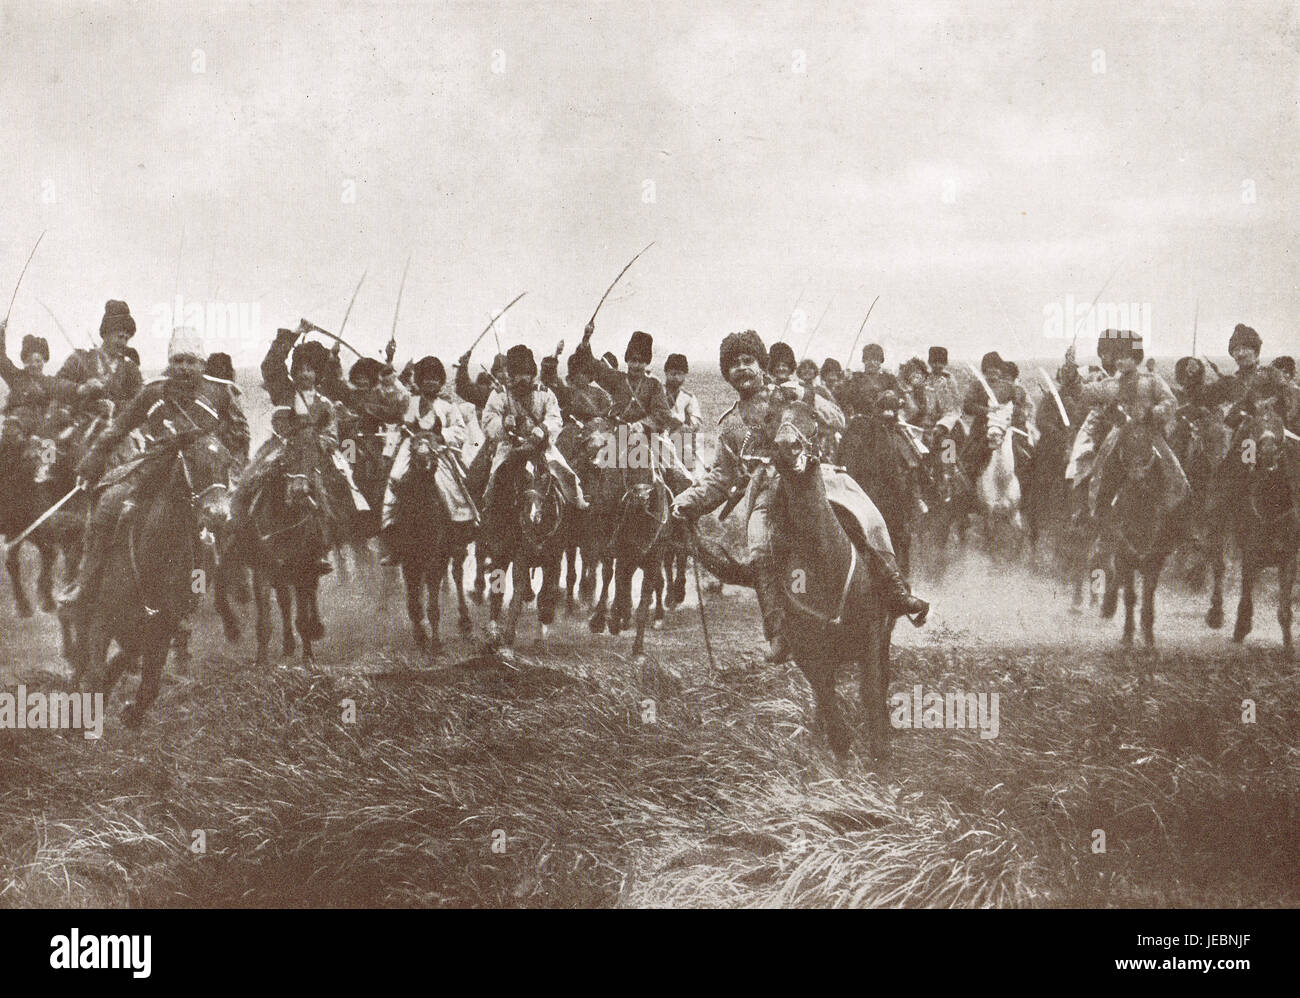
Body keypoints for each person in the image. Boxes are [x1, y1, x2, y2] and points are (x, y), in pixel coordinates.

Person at [670, 329, 927, 664]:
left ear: (761, 364)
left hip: (815, 479)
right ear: (726, 373)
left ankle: (897, 592)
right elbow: (720, 478)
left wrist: (807, 394)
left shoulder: (788, 394)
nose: (742, 369)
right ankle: (778, 632)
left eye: (748, 361)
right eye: (734, 365)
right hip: (767, 493)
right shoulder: (730, 424)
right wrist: (686, 500)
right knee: (759, 547)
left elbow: (838, 419)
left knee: (864, 516)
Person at [58, 326, 248, 616]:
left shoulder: (220, 393)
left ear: (202, 364)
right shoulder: (154, 392)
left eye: (190, 361)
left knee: (219, 531)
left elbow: (239, 436)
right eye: (178, 361)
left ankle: (198, 594)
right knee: (108, 503)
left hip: (204, 477)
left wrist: (231, 472)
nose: (183, 368)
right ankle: (86, 581)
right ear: (170, 363)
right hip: (156, 467)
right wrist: (94, 458)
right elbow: (120, 426)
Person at [225, 324, 350, 574]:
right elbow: (271, 365)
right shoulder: (284, 391)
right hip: (282, 446)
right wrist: (293, 334)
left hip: (316, 452)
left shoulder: (325, 404)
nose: (305, 374)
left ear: (318, 372)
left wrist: (320, 443)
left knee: (342, 485)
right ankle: (238, 527)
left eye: (311, 369)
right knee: (251, 478)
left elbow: (331, 433)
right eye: (300, 369)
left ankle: (324, 545)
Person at [1074, 331, 1188, 516]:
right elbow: (1085, 393)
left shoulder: (1151, 381)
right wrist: (1071, 375)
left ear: (1136, 358)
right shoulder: (1110, 384)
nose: (1120, 361)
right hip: (1119, 435)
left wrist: (1153, 413)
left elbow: (1171, 401)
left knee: (1173, 472)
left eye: (1125, 356)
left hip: (1150, 434)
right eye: (1117, 357)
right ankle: (1098, 516)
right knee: (1102, 471)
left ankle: (1177, 518)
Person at [480, 344, 588, 537]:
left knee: (567, 475)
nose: (522, 378)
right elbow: (488, 420)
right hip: (510, 447)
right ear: (511, 374)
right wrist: (504, 423)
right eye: (518, 374)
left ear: (532, 373)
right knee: (495, 480)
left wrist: (542, 430)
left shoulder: (544, 393)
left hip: (542, 448)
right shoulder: (500, 394)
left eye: (526, 373)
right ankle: (494, 524)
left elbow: (555, 417)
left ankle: (576, 516)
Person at [379, 356, 476, 562]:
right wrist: (388, 454)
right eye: (426, 378)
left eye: (435, 378)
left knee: (452, 483)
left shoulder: (448, 406)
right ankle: (391, 532)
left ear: (440, 382)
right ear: (420, 381)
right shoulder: (409, 402)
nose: (431, 382)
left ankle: (461, 529)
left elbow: (460, 431)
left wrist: (441, 436)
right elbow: (396, 426)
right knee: (395, 480)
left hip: (438, 449)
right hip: (410, 448)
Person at [55, 300, 143, 431]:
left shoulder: (130, 369)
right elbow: (57, 384)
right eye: (119, 337)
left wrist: (115, 406)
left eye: (126, 338)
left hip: (115, 429)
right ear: (106, 333)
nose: (123, 343)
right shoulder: (80, 358)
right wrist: (81, 388)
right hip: (78, 424)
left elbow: (140, 402)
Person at [0, 318, 57, 464]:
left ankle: (46, 472)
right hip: (16, 431)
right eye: (30, 360)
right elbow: (1, 359)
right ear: (25, 362)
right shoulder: (16, 377)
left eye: (38, 361)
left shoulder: (50, 383)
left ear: (44, 362)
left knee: (50, 449)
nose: (34, 365)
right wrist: (1, 335)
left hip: (41, 431)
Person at [664, 353, 701, 477]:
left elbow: (696, 421)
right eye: (672, 373)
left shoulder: (688, 397)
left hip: (680, 440)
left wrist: (687, 426)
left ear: (685, 375)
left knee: (687, 449)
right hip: (658, 435)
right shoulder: (657, 392)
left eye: (680, 374)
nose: (676, 377)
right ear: (666, 373)